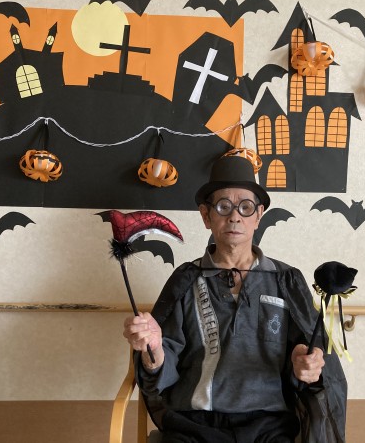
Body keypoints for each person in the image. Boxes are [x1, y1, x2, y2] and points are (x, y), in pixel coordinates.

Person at [123, 155, 347, 443]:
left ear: (259, 215)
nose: (235, 216)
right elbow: (160, 370)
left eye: (246, 207)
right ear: (206, 216)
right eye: (223, 206)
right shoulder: (185, 280)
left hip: (269, 424)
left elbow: (308, 360)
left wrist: (306, 365)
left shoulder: (285, 280)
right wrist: (153, 349)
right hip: (193, 424)